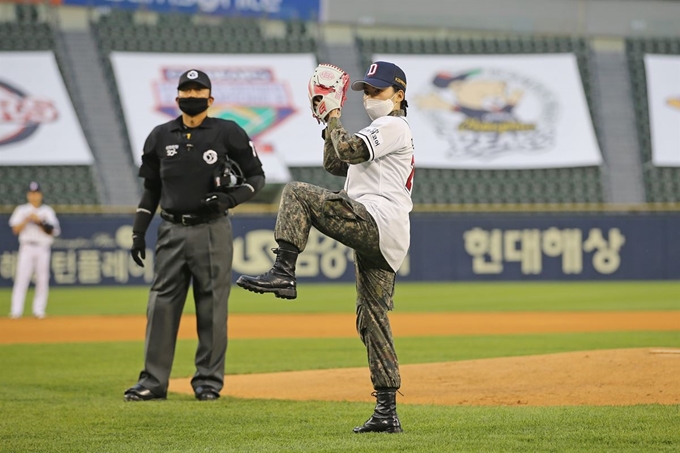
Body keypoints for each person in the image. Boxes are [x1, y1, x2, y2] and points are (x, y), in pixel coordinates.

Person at [237, 61, 414, 433]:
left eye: (377, 91)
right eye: (366, 91)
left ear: (399, 95)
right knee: (372, 320)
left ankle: (283, 271)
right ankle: (386, 411)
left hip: (376, 220)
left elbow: (348, 150)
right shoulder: (379, 129)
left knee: (296, 193)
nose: (369, 97)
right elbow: (336, 161)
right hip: (385, 234)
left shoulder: (394, 125)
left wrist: (334, 111)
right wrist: (326, 121)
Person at [124, 69, 265, 402]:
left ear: (210, 98)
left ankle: (208, 383)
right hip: (171, 228)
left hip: (212, 228)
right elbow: (151, 190)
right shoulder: (159, 136)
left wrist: (230, 198)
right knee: (161, 306)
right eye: (186, 91)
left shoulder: (227, 132)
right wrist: (138, 231)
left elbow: (256, 177)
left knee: (212, 307)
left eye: (198, 90)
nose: (192, 95)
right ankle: (153, 382)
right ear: (177, 98)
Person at [8, 181, 60, 319]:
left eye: (36, 193)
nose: (34, 196)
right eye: (31, 193)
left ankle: (39, 310)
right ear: (28, 195)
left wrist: (39, 221)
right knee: (21, 279)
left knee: (42, 279)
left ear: (40, 195)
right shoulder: (21, 210)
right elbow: (15, 229)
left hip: (42, 248)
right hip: (27, 247)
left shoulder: (47, 211)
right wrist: (27, 219)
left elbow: (52, 231)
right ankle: (16, 311)